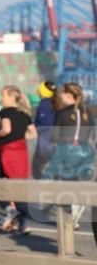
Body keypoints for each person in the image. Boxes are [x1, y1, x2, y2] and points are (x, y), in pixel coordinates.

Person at [43, 83, 95, 229]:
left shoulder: (62, 113)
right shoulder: (88, 112)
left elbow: (54, 136)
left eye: (62, 93)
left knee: (63, 185)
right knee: (76, 182)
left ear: (69, 95)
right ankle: (77, 205)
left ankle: (71, 209)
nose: (60, 95)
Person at [0, 86, 37, 235]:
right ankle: (23, 224)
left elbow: (7, 129)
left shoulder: (5, 112)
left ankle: (11, 211)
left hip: (7, 152)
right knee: (19, 187)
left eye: (3, 95)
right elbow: (33, 134)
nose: (1, 98)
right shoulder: (25, 114)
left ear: (10, 97)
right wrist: (20, 138)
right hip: (21, 152)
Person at [32, 80, 58, 179]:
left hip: (45, 144)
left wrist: (33, 129)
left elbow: (45, 125)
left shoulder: (44, 106)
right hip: (54, 144)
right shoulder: (55, 103)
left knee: (37, 170)